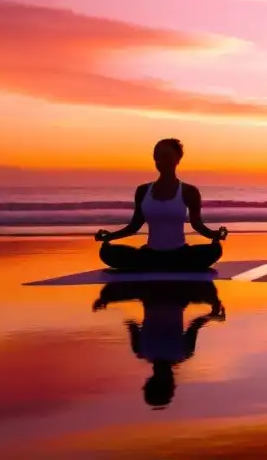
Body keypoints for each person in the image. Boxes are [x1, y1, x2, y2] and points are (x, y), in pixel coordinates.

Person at [95, 139, 227, 271]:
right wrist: (109, 237)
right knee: (107, 252)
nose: (160, 161)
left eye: (166, 157)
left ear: (177, 159)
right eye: (157, 157)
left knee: (214, 250)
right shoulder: (143, 191)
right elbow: (134, 226)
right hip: (150, 255)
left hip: (180, 254)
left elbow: (197, 225)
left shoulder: (189, 191)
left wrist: (215, 235)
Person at [92, 281, 225, 407]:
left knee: (208, 296)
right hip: (151, 296)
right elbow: (131, 324)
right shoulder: (140, 350)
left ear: (171, 384)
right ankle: (104, 299)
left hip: (178, 296)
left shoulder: (185, 352)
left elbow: (196, 323)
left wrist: (215, 315)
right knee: (114, 294)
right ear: (149, 382)